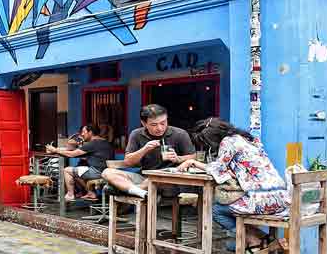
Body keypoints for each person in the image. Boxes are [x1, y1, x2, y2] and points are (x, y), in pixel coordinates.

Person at [177, 117, 289, 251]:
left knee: (216, 210)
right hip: (281, 198)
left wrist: (192, 162)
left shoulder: (228, 142)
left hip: (261, 200)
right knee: (231, 245)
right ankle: (261, 240)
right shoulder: (248, 139)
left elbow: (217, 169)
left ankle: (254, 239)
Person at [102, 104, 195, 199]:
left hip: (169, 179)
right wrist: (144, 149)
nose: (160, 128)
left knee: (153, 178)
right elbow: (128, 162)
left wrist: (178, 158)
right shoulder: (136, 134)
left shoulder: (180, 134)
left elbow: (193, 157)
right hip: (144, 177)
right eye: (154, 124)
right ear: (144, 123)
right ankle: (140, 192)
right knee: (107, 172)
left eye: (163, 123)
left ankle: (132, 190)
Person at [46, 123, 114, 201]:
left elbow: (72, 154)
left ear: (90, 132)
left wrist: (55, 150)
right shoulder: (105, 142)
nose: (82, 134)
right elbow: (76, 151)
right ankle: (90, 192)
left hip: (97, 172)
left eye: (83, 132)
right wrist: (58, 150)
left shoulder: (92, 144)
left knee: (67, 170)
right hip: (107, 171)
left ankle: (70, 194)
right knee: (77, 170)